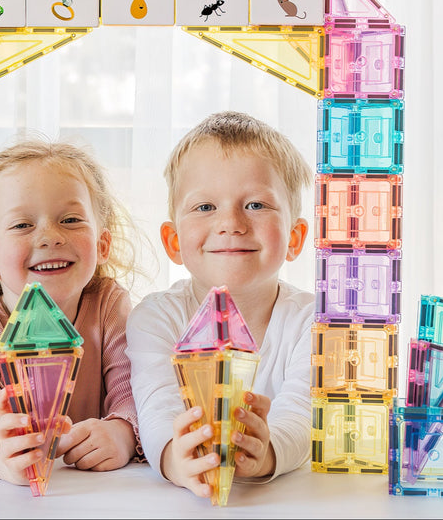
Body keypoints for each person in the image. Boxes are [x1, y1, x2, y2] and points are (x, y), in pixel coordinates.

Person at [126, 111, 314, 498]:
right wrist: (174, 460)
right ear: (174, 241)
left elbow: (301, 413)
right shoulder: (155, 317)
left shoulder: (314, 322)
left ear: (295, 238)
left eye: (257, 205)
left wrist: (266, 453)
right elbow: (157, 407)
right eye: (205, 207)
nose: (231, 223)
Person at [0, 138, 145, 485]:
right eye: (22, 225)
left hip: (98, 493)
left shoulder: (109, 304)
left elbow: (133, 392)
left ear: (102, 244)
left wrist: (122, 432)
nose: (49, 237)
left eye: (71, 219)